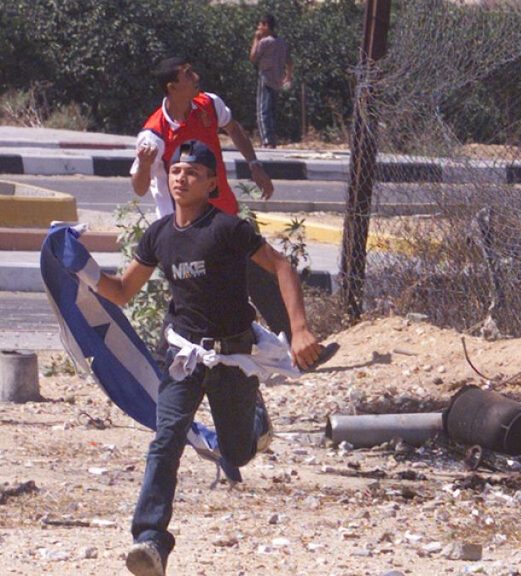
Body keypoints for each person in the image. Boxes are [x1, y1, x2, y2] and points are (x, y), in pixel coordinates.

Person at [82, 140, 320, 576]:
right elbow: (121, 291)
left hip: (232, 357)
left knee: (237, 453)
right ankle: (151, 540)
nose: (180, 177)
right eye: (175, 170)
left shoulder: (229, 229)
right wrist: (83, 268)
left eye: (192, 172)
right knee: (166, 438)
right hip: (183, 356)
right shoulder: (159, 235)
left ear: (212, 183)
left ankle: (255, 423)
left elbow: (282, 266)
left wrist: (300, 328)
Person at [131, 56, 291, 339]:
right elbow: (140, 187)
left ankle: (294, 343)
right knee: (197, 295)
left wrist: (254, 165)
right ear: (172, 87)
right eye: (187, 74)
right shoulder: (154, 134)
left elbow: (233, 128)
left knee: (257, 275)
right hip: (184, 227)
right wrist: (144, 165)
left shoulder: (209, 104)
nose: (195, 76)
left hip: (221, 213)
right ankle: (172, 359)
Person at [249, 13, 293, 149]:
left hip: (266, 78)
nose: (258, 28)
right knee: (272, 110)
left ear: (266, 26)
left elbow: (253, 57)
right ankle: (272, 139)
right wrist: (288, 75)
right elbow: (289, 61)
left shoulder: (265, 42)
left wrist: (256, 39)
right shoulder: (281, 42)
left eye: (260, 25)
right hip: (277, 80)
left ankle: (266, 140)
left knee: (263, 110)